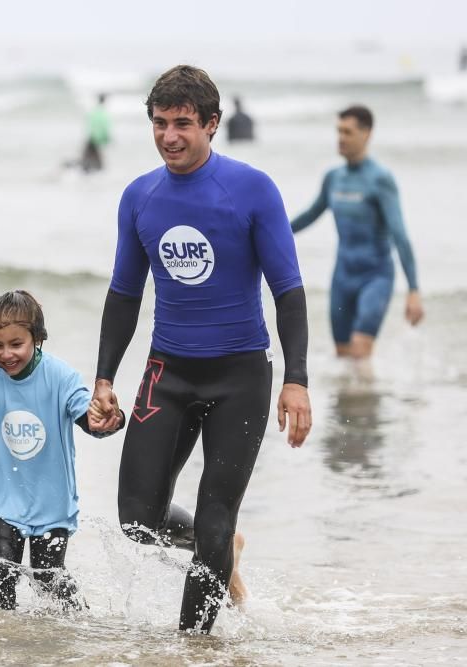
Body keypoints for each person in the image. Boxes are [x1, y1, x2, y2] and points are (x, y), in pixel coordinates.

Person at [89, 65, 312, 633]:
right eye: (160, 124)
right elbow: (122, 295)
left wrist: (297, 378)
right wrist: (105, 378)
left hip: (241, 377)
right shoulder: (140, 197)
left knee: (215, 520)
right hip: (168, 371)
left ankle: (193, 646)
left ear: (212, 125)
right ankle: (223, 547)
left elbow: (288, 290)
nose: (170, 136)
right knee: (136, 518)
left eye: (183, 124)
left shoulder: (252, 189)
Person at [0, 290, 125, 611]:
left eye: (16, 344)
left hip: (52, 506)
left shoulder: (60, 376)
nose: (6, 354)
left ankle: (80, 632)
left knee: (48, 581)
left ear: (36, 337)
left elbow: (88, 418)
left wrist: (108, 420)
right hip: (3, 502)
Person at [290, 105, 423, 360]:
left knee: (360, 351)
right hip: (342, 277)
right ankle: (355, 400)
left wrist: (413, 290)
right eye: (338, 131)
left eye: (348, 132)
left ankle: (369, 397)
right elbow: (310, 215)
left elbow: (400, 234)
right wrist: (269, 235)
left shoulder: (380, 178)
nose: (341, 138)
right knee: (342, 356)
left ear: (367, 133)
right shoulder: (334, 177)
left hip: (376, 277)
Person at [80, 93, 111, 173]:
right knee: (98, 164)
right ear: (104, 100)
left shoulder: (93, 111)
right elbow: (104, 127)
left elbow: (89, 124)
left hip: (91, 138)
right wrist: (106, 138)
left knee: (87, 160)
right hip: (96, 140)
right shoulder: (103, 113)